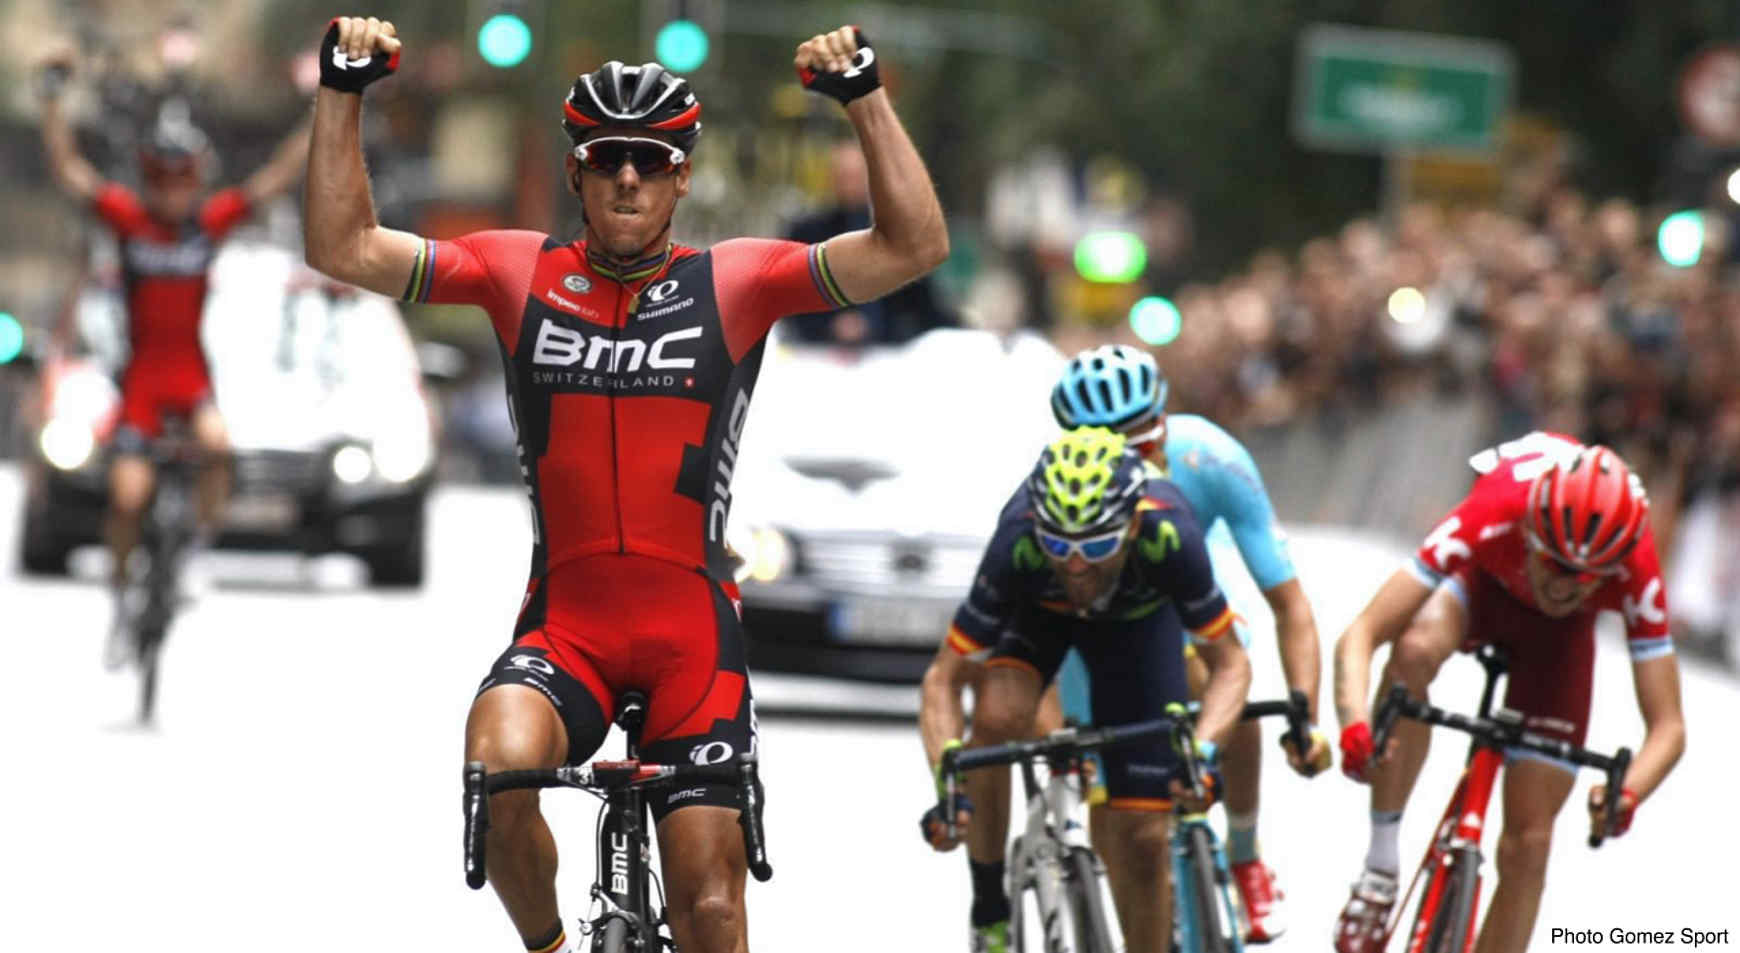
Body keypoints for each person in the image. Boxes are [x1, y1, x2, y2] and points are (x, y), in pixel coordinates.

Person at [303, 16, 946, 953]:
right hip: (568, 632)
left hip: (692, 643)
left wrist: (865, 99)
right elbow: (344, 246)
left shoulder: (739, 281)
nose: (629, 178)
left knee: (711, 909)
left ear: (682, 176)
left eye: (652, 159)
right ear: (577, 174)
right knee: (496, 767)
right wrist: (342, 91)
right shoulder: (515, 271)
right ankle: (551, 947)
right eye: (608, 159)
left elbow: (913, 245)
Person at [1332, 432, 1686, 953]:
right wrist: (1355, 725)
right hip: (1483, 590)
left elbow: (1669, 727)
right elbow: (1362, 633)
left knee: (1530, 845)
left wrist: (1628, 792)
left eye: (1586, 579)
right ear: (1530, 532)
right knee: (1413, 651)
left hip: (1560, 641)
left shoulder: (1635, 564)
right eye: (1555, 565)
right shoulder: (1496, 508)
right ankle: (1380, 869)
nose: (1563, 588)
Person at [920, 426, 1253, 953]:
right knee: (997, 719)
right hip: (1039, 618)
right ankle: (989, 908)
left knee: (1144, 839)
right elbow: (943, 678)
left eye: (1096, 546)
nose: (1076, 566)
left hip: (1138, 627)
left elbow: (1230, 664)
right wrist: (948, 780)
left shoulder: (1169, 533)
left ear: (1132, 525)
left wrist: (1204, 751)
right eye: (1059, 545)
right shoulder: (1019, 537)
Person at [36, 52, 311, 668]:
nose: (172, 192)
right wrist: (53, 104)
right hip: (140, 382)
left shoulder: (208, 225)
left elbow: (276, 176)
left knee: (218, 448)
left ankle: (192, 552)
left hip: (190, 378)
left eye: (182, 180)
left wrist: (326, 107)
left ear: (197, 180)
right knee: (127, 498)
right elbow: (69, 169)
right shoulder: (129, 221)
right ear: (147, 180)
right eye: (161, 180)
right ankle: (119, 594)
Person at [1048, 344, 1330, 942]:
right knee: (1117, 819)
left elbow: (1289, 604)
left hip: (1189, 574)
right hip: (1099, 614)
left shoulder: (1209, 455)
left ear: (1164, 419)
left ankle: (1245, 852)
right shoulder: (1061, 484)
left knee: (1224, 670)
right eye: (1106, 444)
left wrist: (1304, 715)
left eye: (1140, 438)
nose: (1129, 461)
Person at [782, 140, 952, 345]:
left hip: (887, 351)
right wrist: (830, 325)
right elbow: (791, 301)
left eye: (857, 176)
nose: (850, 184)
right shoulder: (807, 232)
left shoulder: (899, 234)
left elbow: (923, 306)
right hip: (818, 352)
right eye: (843, 176)